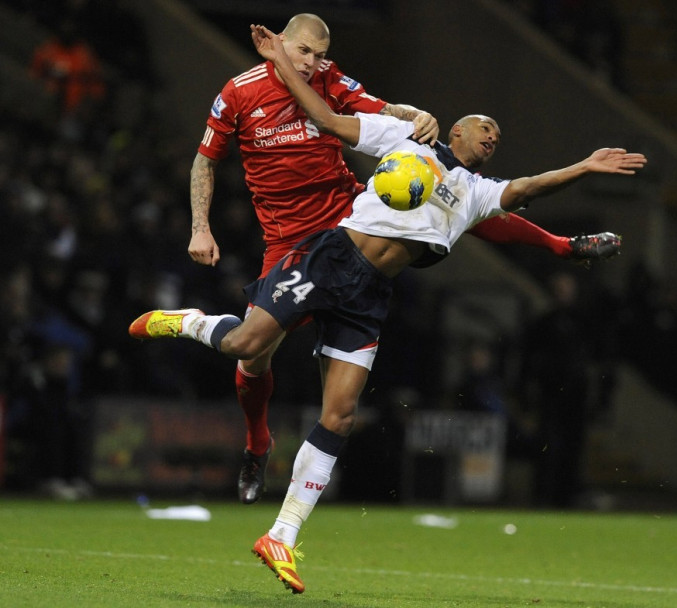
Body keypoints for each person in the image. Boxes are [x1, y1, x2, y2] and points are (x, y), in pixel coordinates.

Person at [128, 23, 646, 594]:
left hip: (370, 295)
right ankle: (189, 322)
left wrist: (578, 185)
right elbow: (332, 120)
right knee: (248, 348)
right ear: (455, 128)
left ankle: (282, 535)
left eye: (499, 134)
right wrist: (289, 65)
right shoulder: (403, 142)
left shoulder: (474, 195)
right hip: (329, 256)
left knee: (342, 414)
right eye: (484, 126)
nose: (492, 135)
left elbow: (523, 194)